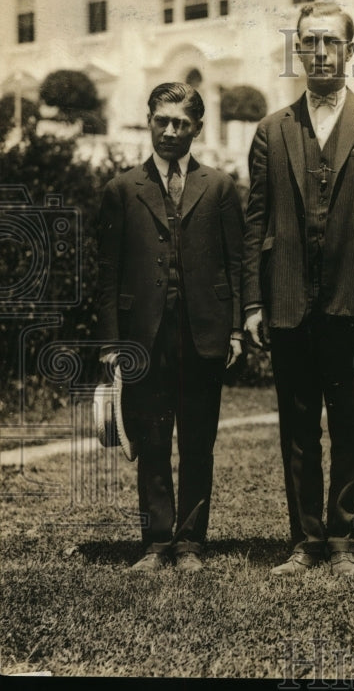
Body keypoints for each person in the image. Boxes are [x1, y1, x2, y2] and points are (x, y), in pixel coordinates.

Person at [242, 2, 354, 576]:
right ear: (299, 50)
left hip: (352, 299)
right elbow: (255, 221)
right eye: (309, 41)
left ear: (349, 51)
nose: (320, 52)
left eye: (331, 41)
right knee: (297, 425)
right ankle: (306, 541)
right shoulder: (272, 129)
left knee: (350, 424)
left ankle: (344, 542)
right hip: (288, 297)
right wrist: (254, 302)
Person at [96, 82, 244, 572]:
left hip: (204, 331)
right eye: (162, 120)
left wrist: (236, 330)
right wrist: (111, 343)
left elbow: (236, 263)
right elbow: (108, 272)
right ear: (149, 121)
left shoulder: (219, 187)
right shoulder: (122, 189)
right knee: (153, 440)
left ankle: (191, 543)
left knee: (198, 442)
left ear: (197, 128)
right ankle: (157, 542)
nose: (170, 131)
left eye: (181, 123)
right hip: (145, 334)